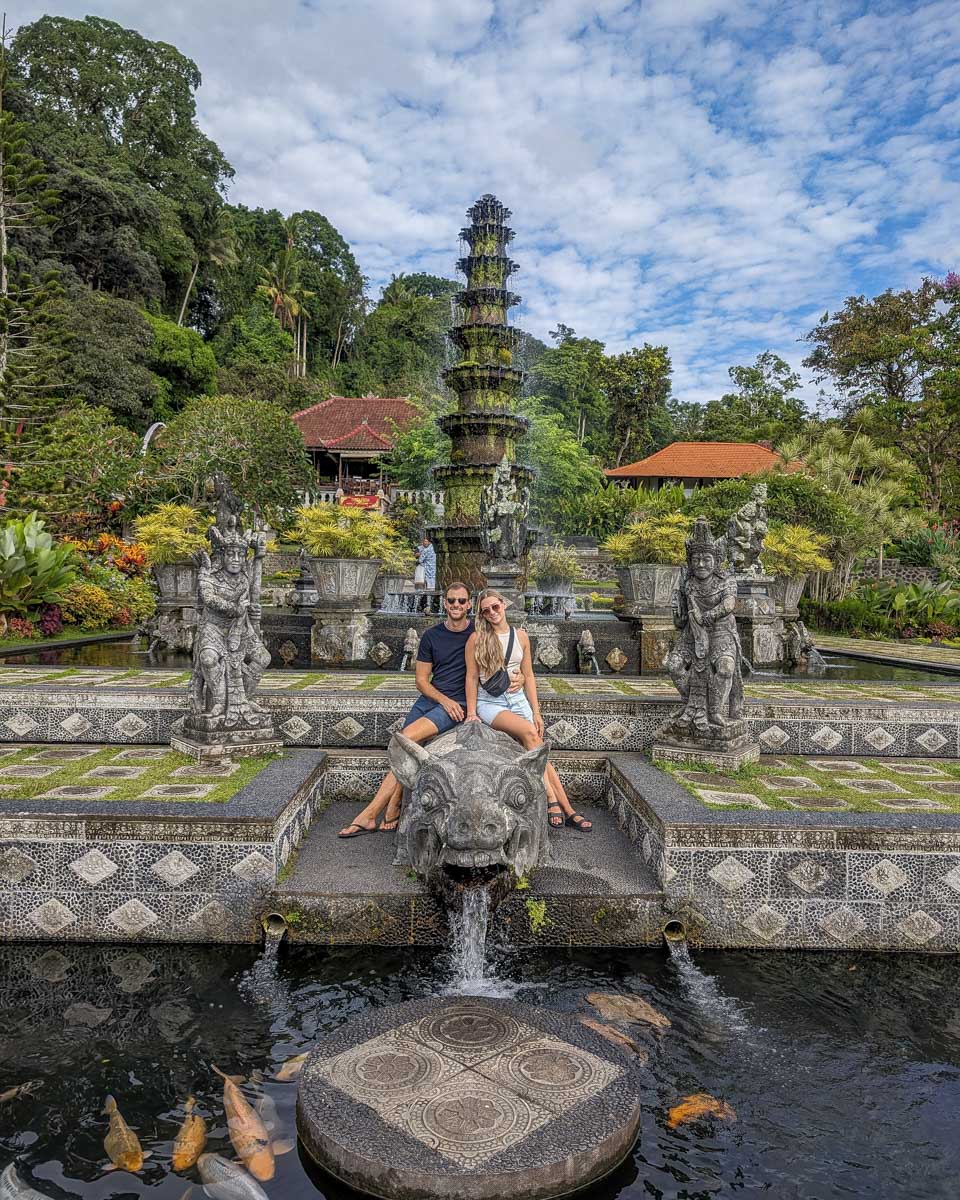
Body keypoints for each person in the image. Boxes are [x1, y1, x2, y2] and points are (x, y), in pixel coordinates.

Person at [337, 581, 524, 838]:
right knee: (403, 745)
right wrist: (442, 700)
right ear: (444, 603)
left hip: (458, 704)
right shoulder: (431, 636)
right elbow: (421, 681)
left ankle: (370, 814)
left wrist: (520, 678)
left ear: (469, 605)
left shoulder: (479, 634)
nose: (456, 605)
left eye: (461, 601)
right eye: (451, 600)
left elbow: (509, 658)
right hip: (432, 700)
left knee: (406, 740)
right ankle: (393, 805)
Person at [465, 588, 591, 832]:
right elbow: (471, 677)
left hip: (518, 700)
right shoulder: (477, 638)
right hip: (491, 703)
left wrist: (536, 712)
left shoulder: (521, 636)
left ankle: (568, 809)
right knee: (530, 734)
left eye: (495, 607)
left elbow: (529, 676)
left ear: (503, 604)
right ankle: (552, 801)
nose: (492, 613)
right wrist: (471, 712)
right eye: (486, 611)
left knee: (539, 750)